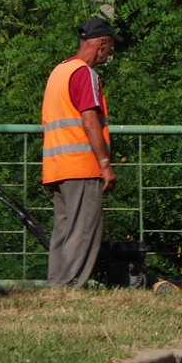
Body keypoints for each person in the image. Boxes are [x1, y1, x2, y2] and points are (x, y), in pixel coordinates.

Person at [42, 17, 118, 288]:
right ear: (100, 44)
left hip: (56, 167)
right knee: (84, 229)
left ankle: (56, 287)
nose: (109, 53)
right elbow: (89, 121)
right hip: (82, 166)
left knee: (64, 230)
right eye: (109, 47)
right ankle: (71, 287)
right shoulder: (84, 74)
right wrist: (105, 164)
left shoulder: (59, 71)